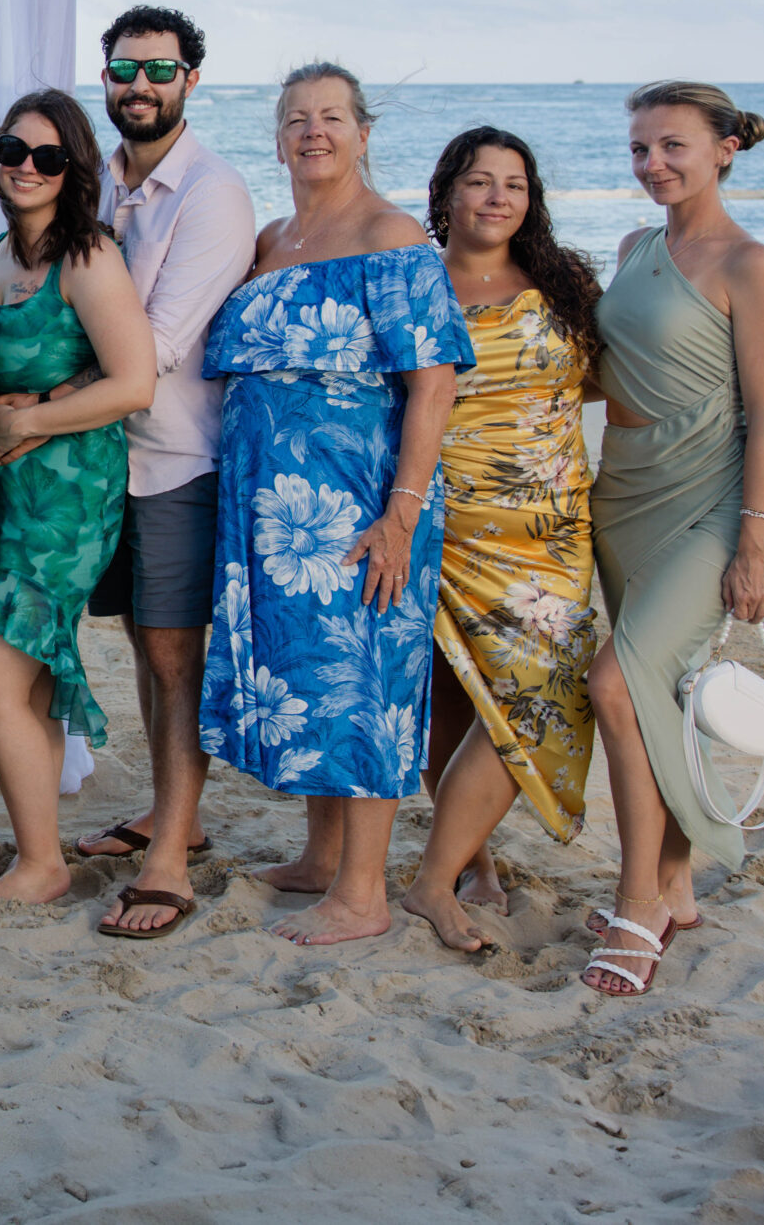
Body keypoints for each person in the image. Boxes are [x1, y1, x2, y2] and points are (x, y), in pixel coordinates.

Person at [198, 64, 470, 946]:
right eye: (296, 119)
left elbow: (433, 385)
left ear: (363, 133)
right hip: (271, 511)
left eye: (331, 118)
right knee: (308, 677)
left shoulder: (392, 235)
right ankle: (320, 860)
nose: (312, 132)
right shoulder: (272, 238)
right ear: (277, 138)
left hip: (359, 506)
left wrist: (401, 513)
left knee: (366, 683)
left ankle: (362, 894)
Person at [580, 82, 764, 997]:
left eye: (672, 145)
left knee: (614, 682)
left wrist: (758, 543)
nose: (653, 164)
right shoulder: (635, 249)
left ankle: (642, 901)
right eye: (639, 148)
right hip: (624, 494)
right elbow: (602, 374)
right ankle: (674, 879)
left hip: (709, 504)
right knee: (655, 691)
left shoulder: (751, 264)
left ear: (724, 150)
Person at [71, 5, 258, 938]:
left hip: (178, 457)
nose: (138, 87)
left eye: (159, 70)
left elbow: (163, 345)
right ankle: (163, 809)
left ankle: (173, 855)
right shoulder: (98, 183)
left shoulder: (212, 193)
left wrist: (45, 399)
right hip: (109, 456)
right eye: (123, 70)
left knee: (178, 657)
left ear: (190, 79)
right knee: (147, 648)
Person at [394, 129, 604, 951]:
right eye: (479, 182)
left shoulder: (563, 281)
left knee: (543, 693)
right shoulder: (417, 279)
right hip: (447, 520)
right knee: (459, 692)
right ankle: (462, 867)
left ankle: (433, 876)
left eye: (513, 184)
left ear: (531, 198)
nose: (495, 197)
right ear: (446, 192)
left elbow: (601, 379)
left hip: (549, 532)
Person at [0, 89, 156, 909]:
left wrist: (32, 416)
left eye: (47, 156)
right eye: (14, 150)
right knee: (28, 682)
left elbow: (135, 381)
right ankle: (38, 851)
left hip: (69, 496)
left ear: (73, 167)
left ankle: (42, 864)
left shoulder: (89, 257)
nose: (27, 167)